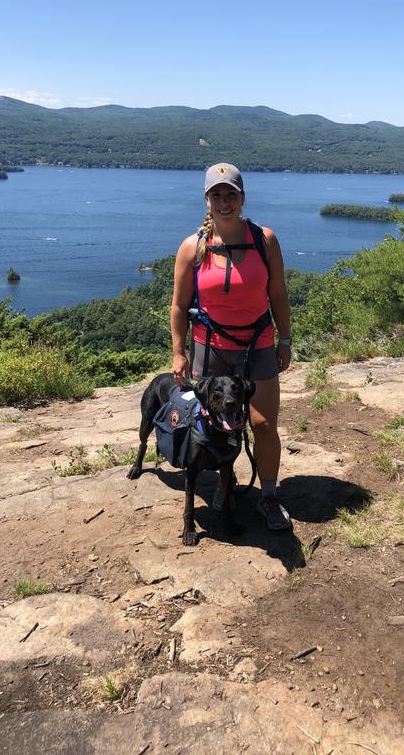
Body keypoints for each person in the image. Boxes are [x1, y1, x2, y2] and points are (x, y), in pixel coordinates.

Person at [170, 163, 292, 531]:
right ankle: (226, 484)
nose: (224, 202)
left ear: (242, 198)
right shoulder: (193, 247)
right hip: (211, 347)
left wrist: (285, 340)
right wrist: (179, 351)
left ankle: (268, 495)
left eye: (231, 195)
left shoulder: (264, 239)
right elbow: (178, 305)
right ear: (207, 200)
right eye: (216, 195)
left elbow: (279, 296)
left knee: (263, 423)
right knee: (215, 424)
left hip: (258, 344)